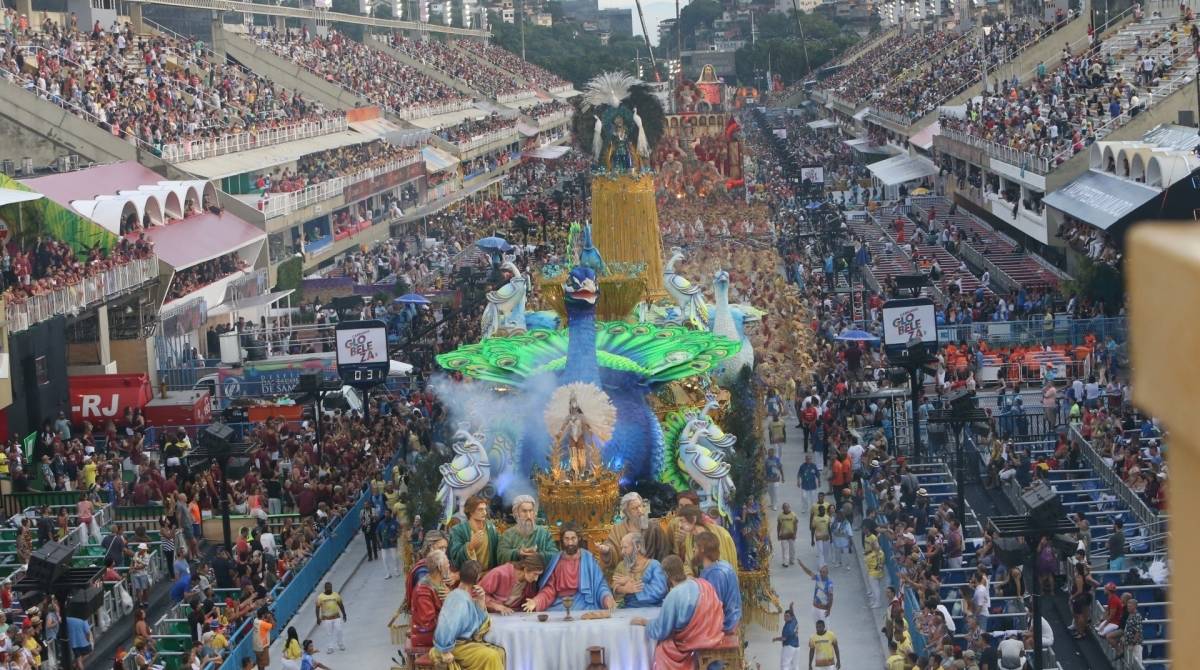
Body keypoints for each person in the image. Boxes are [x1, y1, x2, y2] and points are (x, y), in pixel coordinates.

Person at [631, 555, 726, 670]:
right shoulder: (703, 584)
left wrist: (646, 622)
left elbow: (661, 630)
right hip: (712, 633)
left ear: (666, 575)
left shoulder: (674, 595)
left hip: (693, 642)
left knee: (663, 649)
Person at [431, 560, 506, 669]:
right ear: (477, 578)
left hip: (465, 644)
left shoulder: (464, 596)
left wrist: (481, 601)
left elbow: (478, 624)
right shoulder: (458, 599)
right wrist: (445, 650)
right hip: (456, 646)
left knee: (499, 652)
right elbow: (446, 625)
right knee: (492, 656)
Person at [525, 523, 615, 611]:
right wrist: (536, 601)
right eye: (566, 539)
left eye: (573, 538)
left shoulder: (588, 559)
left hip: (583, 604)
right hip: (560, 604)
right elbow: (549, 590)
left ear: (579, 538)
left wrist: (606, 598)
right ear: (562, 540)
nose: (570, 542)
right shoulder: (556, 560)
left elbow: (600, 585)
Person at [599, 492, 671, 571]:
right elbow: (612, 547)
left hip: (651, 572)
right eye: (634, 508)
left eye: (640, 506)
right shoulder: (618, 529)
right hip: (626, 572)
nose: (640, 511)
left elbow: (664, 553)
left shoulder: (653, 527)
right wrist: (607, 550)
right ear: (627, 512)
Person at [695, 531, 741, 633]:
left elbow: (714, 608)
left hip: (723, 628)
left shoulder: (716, 574)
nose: (694, 550)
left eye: (695, 547)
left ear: (702, 549)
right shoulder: (720, 566)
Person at [495, 495, 559, 566]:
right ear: (516, 514)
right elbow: (501, 555)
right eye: (524, 511)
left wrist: (539, 556)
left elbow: (554, 554)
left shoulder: (544, 533)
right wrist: (518, 553)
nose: (528, 516)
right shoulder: (508, 535)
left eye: (531, 511)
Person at [611, 532, 668, 607]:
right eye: (621, 548)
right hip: (628, 610)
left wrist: (631, 581)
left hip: (652, 609)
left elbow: (659, 591)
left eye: (625, 547)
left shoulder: (654, 565)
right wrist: (625, 589)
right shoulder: (622, 565)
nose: (622, 552)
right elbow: (614, 587)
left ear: (637, 547)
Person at [410, 549, 452, 650]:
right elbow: (428, 623)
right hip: (428, 634)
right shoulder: (423, 591)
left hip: (440, 628)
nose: (449, 566)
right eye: (447, 563)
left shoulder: (441, 582)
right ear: (440, 567)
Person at [676, 506, 738, 573]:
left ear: (693, 519)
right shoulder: (689, 539)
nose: (680, 525)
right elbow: (688, 563)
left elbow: (726, 561)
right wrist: (689, 575)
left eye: (682, 521)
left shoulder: (720, 534)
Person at [478, 554, 544, 614]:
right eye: (535, 574)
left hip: (513, 617)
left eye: (538, 575)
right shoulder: (499, 573)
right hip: (492, 615)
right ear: (526, 569)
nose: (536, 579)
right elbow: (477, 594)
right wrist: (497, 606)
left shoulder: (529, 584)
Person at [448, 496, 499, 571]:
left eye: (485, 509)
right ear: (471, 511)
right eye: (480, 509)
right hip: (467, 575)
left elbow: (497, 550)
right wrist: (470, 546)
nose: (484, 512)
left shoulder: (491, 528)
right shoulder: (458, 530)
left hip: (487, 574)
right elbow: (454, 557)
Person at [795, 558, 833, 622]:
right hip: (815, 608)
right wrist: (802, 565)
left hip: (823, 610)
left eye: (823, 572)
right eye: (820, 571)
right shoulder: (818, 577)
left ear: (827, 573)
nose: (821, 573)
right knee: (817, 628)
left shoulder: (829, 584)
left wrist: (829, 610)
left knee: (825, 629)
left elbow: (831, 598)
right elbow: (809, 572)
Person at [314, 582, 346, 654]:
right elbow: (317, 608)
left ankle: (340, 644)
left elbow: (341, 605)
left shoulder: (336, 595)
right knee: (329, 633)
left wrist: (344, 614)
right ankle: (330, 647)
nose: (330, 589)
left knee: (339, 630)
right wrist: (318, 618)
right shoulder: (320, 597)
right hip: (326, 619)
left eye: (330, 587)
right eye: (328, 588)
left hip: (336, 617)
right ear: (325, 588)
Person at [773, 603, 801, 670]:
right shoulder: (794, 620)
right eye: (785, 616)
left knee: (784, 666)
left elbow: (784, 638)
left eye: (787, 616)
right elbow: (793, 613)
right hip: (797, 647)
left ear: (791, 617)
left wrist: (775, 639)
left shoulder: (788, 627)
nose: (785, 618)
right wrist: (791, 607)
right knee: (795, 666)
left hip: (789, 647)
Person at [376, 507, 401, 579]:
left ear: (390, 514)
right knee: (384, 559)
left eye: (387, 513)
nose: (386, 514)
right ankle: (388, 573)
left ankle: (396, 571)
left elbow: (399, 532)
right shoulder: (381, 523)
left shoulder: (395, 522)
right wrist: (379, 542)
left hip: (392, 543)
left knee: (395, 557)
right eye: (385, 513)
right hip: (384, 544)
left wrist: (395, 538)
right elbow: (377, 533)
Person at [809, 492, 833, 568]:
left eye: (821, 496)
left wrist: (831, 536)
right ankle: (821, 564)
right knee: (820, 551)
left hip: (826, 531)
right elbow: (811, 515)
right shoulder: (814, 506)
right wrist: (812, 539)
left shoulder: (827, 505)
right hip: (818, 531)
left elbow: (830, 513)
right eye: (819, 496)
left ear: (824, 497)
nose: (820, 498)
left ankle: (824, 562)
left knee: (825, 550)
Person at [777, 502, 799, 568]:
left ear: (789, 507)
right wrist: (778, 534)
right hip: (783, 535)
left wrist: (795, 534)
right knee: (784, 549)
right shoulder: (780, 516)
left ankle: (791, 560)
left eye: (787, 507)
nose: (786, 508)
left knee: (792, 549)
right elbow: (778, 525)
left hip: (791, 535)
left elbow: (795, 525)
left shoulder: (793, 515)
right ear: (782, 508)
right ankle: (785, 562)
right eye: (784, 507)